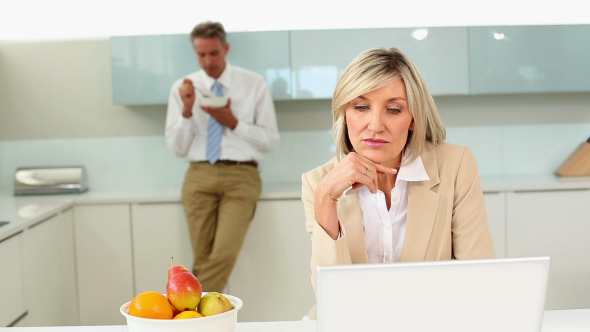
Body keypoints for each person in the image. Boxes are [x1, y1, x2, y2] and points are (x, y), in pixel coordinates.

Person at [301, 47, 495, 319]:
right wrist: (325, 199)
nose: (375, 125)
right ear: (344, 113)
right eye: (361, 107)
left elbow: (479, 277)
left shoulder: (456, 164)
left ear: (413, 118)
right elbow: (330, 299)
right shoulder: (318, 183)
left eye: (393, 109)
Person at [165, 21, 280, 292]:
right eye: (201, 55)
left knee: (222, 256)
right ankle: (201, 318)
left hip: (242, 175)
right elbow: (178, 149)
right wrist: (187, 110)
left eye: (214, 53)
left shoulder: (254, 84)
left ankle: (186, 314)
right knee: (203, 258)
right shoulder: (182, 89)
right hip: (199, 175)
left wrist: (233, 122)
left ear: (226, 48)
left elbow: (270, 141)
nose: (208, 61)